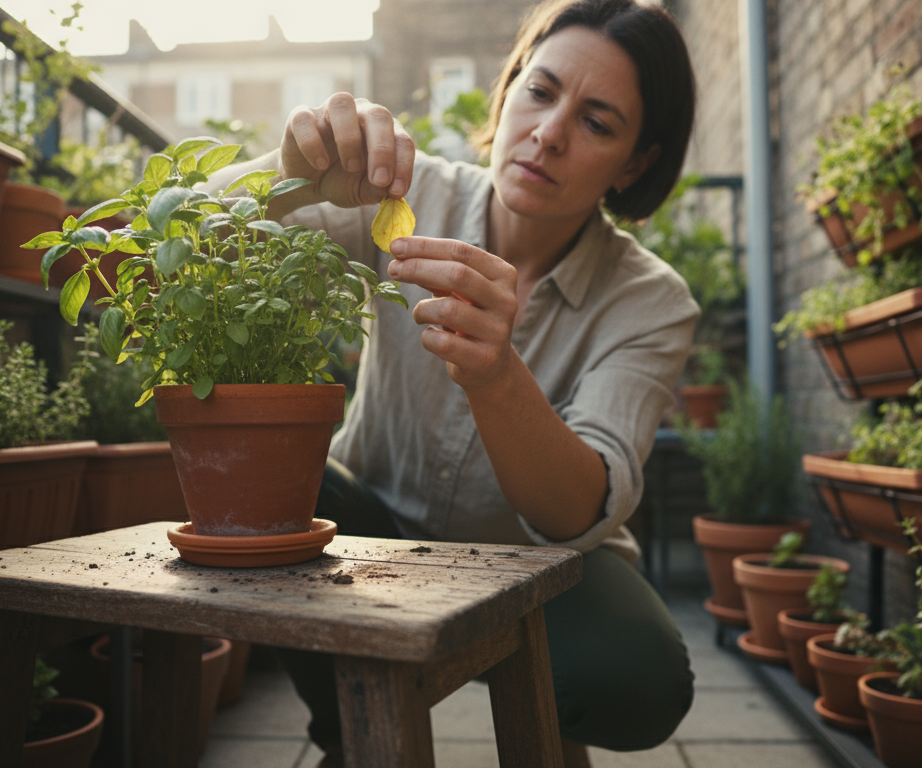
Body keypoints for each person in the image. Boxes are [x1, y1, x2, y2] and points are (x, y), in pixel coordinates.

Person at [209, 0, 699, 763]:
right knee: (268, 473)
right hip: (368, 530)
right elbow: (199, 250)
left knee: (635, 680)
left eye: (598, 123)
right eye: (539, 92)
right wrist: (292, 179)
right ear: (506, 93)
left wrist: (497, 373)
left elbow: (583, 505)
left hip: (545, 572)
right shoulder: (405, 196)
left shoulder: (651, 301)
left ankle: (528, 711)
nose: (550, 133)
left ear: (634, 164)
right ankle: (352, 728)